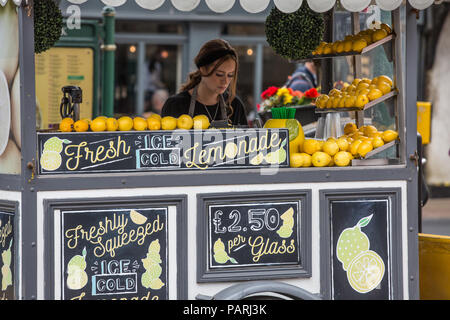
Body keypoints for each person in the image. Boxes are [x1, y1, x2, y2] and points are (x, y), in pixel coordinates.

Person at [161, 39, 248, 126]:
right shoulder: (175, 105)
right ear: (203, 69)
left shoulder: (235, 105)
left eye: (230, 75)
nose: (225, 81)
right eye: (219, 74)